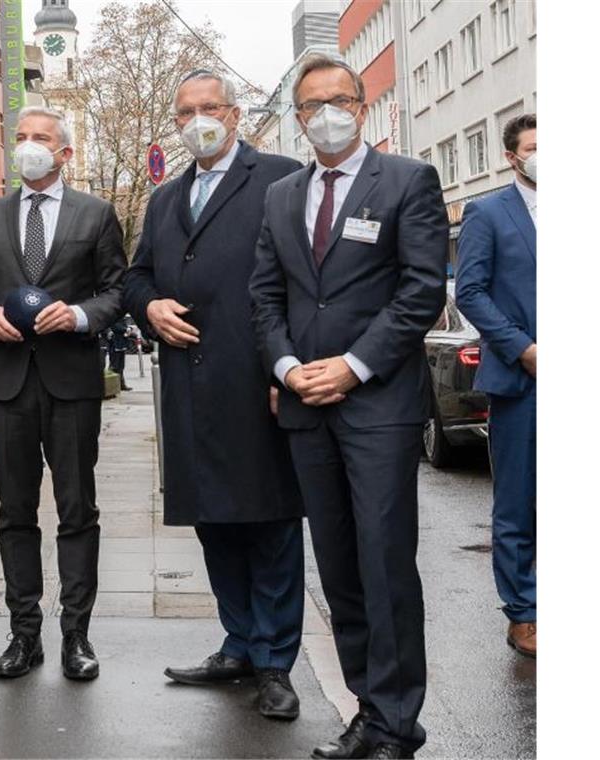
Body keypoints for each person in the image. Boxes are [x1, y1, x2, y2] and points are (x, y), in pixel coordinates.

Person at [249, 54, 447, 760]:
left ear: (362, 107)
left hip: (379, 407)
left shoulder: (408, 181)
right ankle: (369, 708)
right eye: (312, 104)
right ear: (299, 119)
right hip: (306, 407)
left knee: (385, 561)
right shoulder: (281, 196)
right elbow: (265, 297)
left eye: (340, 99)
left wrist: (354, 366)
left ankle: (399, 724)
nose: (327, 112)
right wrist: (288, 366)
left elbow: (421, 290)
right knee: (337, 566)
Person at [124, 70, 306, 721]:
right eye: (185, 112)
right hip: (188, 386)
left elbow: (304, 278)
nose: (197, 119)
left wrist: (288, 370)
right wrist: (151, 307)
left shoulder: (282, 176)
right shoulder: (167, 199)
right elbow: (136, 273)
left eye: (209, 108)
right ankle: (239, 642)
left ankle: (276, 661)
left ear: (234, 114)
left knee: (270, 523)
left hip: (257, 382)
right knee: (214, 522)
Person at [0, 106, 126, 681]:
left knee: (77, 509)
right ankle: (23, 635)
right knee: (15, 510)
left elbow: (115, 292)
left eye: (41, 139)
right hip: (8, 384)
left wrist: (79, 316)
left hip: (71, 383)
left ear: (65, 153)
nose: (28, 146)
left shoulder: (96, 214)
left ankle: (76, 635)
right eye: (21, 137)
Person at [455, 113, 537, 659]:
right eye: (535, 147)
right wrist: (522, 349)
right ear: (512, 157)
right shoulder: (488, 212)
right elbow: (471, 292)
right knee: (519, 503)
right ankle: (524, 614)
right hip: (524, 379)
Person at [107, 318, 133, 390]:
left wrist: (128, 328)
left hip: (121, 344)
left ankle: (121, 384)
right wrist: (126, 329)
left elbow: (122, 326)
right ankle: (113, 386)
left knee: (121, 366)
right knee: (114, 366)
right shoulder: (113, 316)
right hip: (115, 344)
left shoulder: (121, 317)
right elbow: (116, 327)